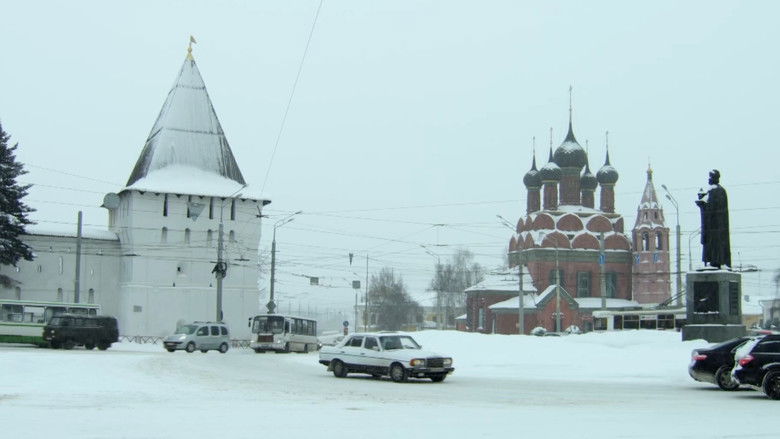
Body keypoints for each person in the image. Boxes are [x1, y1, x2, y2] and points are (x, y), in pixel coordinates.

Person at [695, 169, 731, 269]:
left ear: (715, 178)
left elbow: (710, 209)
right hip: (718, 227)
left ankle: (715, 262)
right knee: (715, 247)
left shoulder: (714, 191)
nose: (709, 179)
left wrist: (701, 204)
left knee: (713, 246)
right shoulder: (721, 191)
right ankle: (715, 262)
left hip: (713, 227)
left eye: (710, 177)